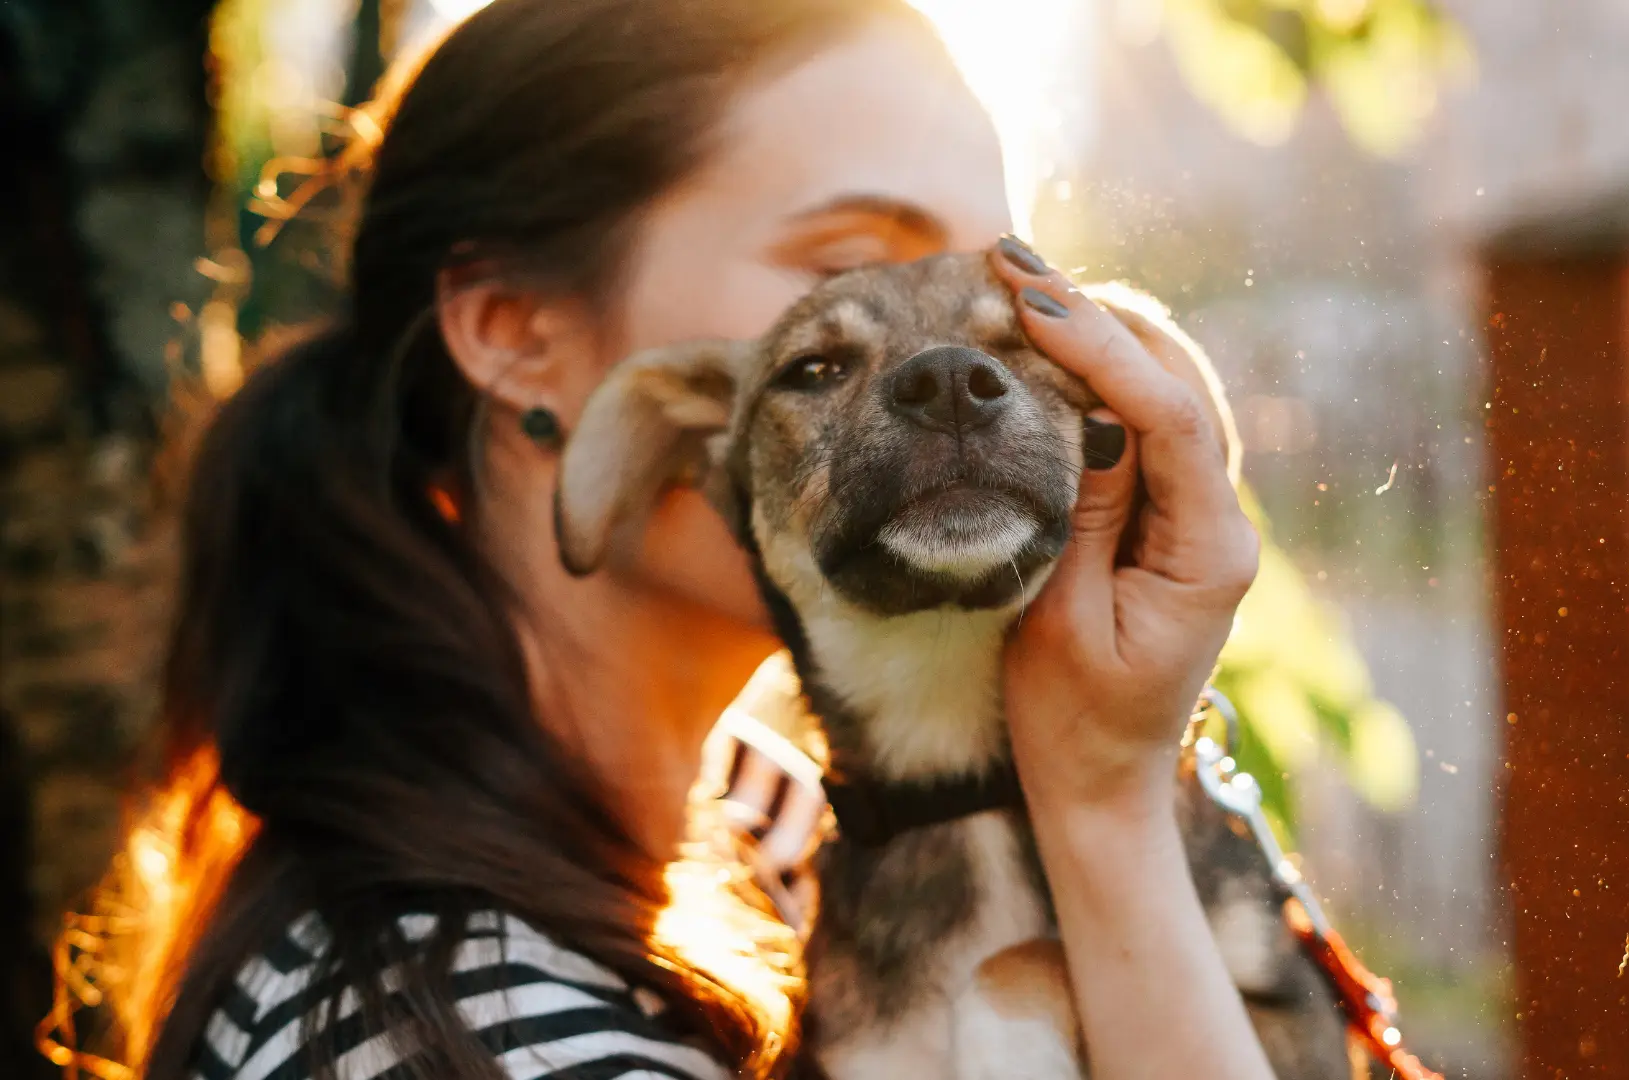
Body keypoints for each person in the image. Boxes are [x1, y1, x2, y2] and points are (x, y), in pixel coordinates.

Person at [108, 1, 1268, 1078]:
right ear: (517, 335)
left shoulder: (776, 824)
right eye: (845, 269)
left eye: (1001, 285)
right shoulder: (454, 1033)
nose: (956, 355)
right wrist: (1106, 806)